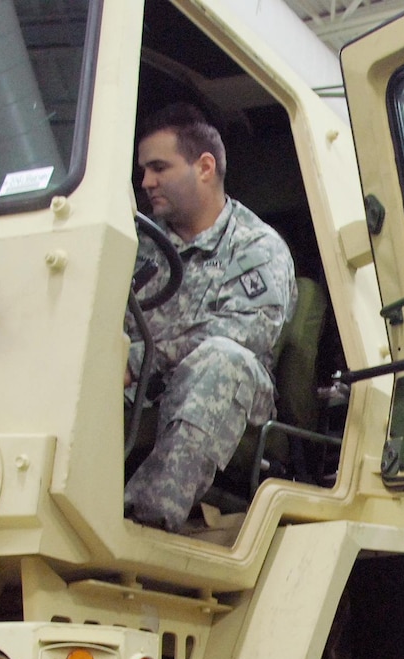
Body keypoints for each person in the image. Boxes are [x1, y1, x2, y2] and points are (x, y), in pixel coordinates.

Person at [124, 103, 298, 531]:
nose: (146, 182)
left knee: (222, 357)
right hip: (140, 391)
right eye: (143, 170)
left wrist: (134, 361)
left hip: (230, 397)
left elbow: (243, 333)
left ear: (204, 167)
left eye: (158, 167)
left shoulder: (256, 245)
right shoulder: (136, 245)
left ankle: (143, 521)